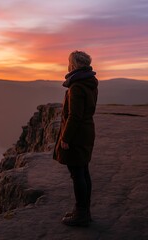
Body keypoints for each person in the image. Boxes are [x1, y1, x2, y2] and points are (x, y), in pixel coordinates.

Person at [53, 50, 98, 227]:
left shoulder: (76, 86)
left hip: (77, 135)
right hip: (86, 131)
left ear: (73, 64)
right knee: (83, 172)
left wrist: (66, 138)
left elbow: (74, 116)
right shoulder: (89, 82)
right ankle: (83, 210)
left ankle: (81, 214)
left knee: (77, 174)